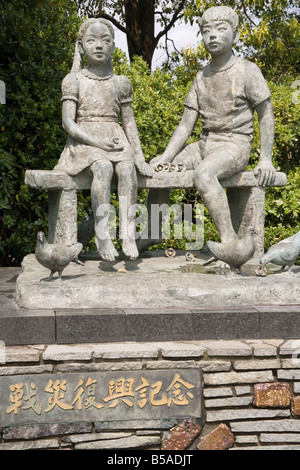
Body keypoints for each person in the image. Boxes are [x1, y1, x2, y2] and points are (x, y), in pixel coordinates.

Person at [150, 6, 276, 258]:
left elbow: (266, 114)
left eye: (221, 30)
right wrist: (165, 157)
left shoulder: (247, 71)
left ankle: (229, 241)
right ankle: (152, 232)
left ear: (236, 35)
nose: (213, 36)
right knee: (156, 168)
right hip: (205, 144)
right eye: (206, 31)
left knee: (204, 174)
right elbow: (186, 126)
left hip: (235, 145)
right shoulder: (201, 76)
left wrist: (266, 159)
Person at [54, 18, 153, 261]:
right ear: (82, 47)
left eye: (105, 40)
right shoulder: (74, 80)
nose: (98, 45)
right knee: (103, 167)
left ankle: (128, 233)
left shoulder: (120, 83)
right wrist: (98, 144)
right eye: (91, 40)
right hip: (84, 142)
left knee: (128, 169)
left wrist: (139, 157)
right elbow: (68, 124)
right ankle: (103, 234)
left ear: (112, 46)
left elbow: (129, 123)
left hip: (115, 137)